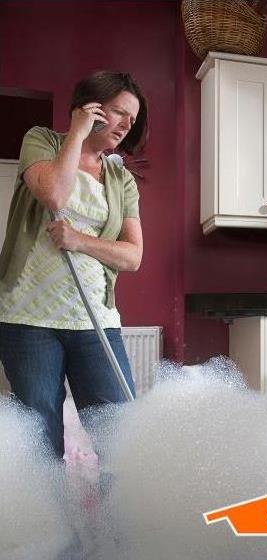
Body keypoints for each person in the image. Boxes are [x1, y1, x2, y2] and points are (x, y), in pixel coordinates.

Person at [0, 71, 148, 458]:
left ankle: (119, 518)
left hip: (95, 319)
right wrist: (78, 133)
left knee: (118, 435)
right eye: (118, 112)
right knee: (41, 438)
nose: (125, 124)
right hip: (28, 318)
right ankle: (50, 519)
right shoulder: (42, 141)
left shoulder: (121, 178)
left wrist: (79, 240)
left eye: (131, 119)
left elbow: (132, 256)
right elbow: (53, 193)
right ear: (91, 107)